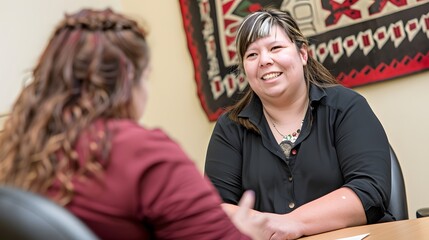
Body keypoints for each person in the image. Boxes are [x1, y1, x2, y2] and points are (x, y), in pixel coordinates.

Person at [0, 8, 270, 240]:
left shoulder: (14, 145)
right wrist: (245, 233)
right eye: (146, 78)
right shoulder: (142, 152)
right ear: (129, 79)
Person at [205, 8, 393, 240]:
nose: (264, 60)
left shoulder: (347, 107)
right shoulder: (230, 127)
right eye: (252, 55)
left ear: (302, 54)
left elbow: (370, 190)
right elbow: (215, 209)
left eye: (275, 48)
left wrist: (289, 224)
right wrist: (275, 228)